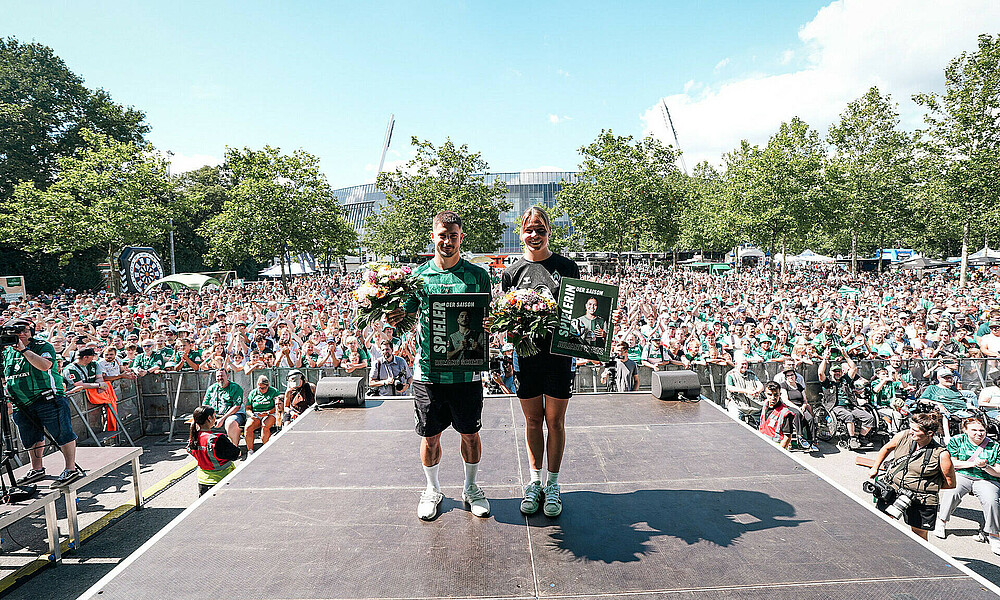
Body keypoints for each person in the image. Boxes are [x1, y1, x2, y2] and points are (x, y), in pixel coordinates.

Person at [389, 210, 493, 521]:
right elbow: (404, 320)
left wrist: (490, 323)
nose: (447, 241)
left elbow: (487, 318)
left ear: (462, 237)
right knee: (429, 436)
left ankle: (470, 487)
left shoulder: (479, 276)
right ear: (433, 237)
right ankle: (432, 489)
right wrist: (394, 316)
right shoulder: (418, 278)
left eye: (453, 236)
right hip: (428, 372)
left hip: (467, 372)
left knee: (470, 434)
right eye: (442, 235)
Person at [501, 206, 581, 518]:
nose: (535, 235)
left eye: (541, 230)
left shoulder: (567, 267)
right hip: (525, 357)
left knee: (556, 422)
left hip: (559, 357)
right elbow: (507, 322)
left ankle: (554, 484)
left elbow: (581, 314)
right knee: (533, 421)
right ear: (521, 232)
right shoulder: (511, 272)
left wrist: (602, 323)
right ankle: (534, 483)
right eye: (529, 230)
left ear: (549, 232)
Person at [2, 318, 81, 486]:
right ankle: (37, 469)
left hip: (47, 398)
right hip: (21, 403)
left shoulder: (42, 346)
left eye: (24, 330)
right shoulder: (8, 351)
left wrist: (23, 349)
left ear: (32, 331)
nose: (21, 334)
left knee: (62, 433)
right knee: (30, 438)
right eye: (16, 331)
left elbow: (45, 365)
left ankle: (70, 468)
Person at [868, 411, 956, 539]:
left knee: (919, 535)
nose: (910, 432)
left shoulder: (941, 454)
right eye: (910, 428)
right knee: (881, 524)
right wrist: (875, 468)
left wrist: (923, 487)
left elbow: (950, 483)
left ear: (929, 434)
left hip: (921, 499)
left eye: (915, 430)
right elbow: (886, 448)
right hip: (893, 490)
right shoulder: (903, 436)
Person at [934, 417, 1000, 554]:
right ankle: (941, 521)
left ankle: (994, 534)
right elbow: (951, 463)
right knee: (952, 491)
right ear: (965, 430)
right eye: (974, 430)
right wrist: (974, 463)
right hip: (962, 474)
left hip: (986, 478)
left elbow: (998, 472)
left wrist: (986, 466)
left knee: (991, 500)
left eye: (982, 430)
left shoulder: (995, 446)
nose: (979, 433)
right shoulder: (957, 441)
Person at [818, 350, 873, 450]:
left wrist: (846, 355)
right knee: (849, 416)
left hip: (851, 405)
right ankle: (852, 439)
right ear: (831, 372)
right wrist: (825, 359)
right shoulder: (827, 382)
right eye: (835, 371)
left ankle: (862, 438)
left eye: (839, 371)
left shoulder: (845, 380)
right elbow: (820, 372)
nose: (837, 373)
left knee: (869, 417)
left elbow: (854, 368)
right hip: (836, 407)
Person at [187, 405, 239, 496]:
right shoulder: (217, 439)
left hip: (203, 481)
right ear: (209, 418)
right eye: (214, 416)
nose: (215, 419)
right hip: (223, 480)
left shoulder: (193, 439)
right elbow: (236, 454)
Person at [774, 361, 818, 452]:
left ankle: (812, 441)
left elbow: (805, 400)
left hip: (801, 406)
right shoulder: (784, 385)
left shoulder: (799, 386)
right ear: (786, 377)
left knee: (810, 419)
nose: (791, 377)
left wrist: (803, 406)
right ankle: (800, 436)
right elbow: (785, 400)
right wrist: (798, 408)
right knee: (797, 414)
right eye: (788, 376)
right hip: (789, 406)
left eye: (792, 375)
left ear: (795, 376)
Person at [203, 369, 245, 446]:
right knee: (196, 422)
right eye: (218, 376)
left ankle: (234, 448)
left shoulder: (235, 387)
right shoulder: (211, 388)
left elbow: (237, 406)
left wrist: (222, 419)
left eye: (222, 375)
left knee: (230, 423)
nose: (220, 378)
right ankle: (202, 448)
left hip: (233, 414)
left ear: (227, 376)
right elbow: (205, 405)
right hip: (215, 414)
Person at [244, 375, 281, 455]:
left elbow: (278, 406)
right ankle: (250, 451)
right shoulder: (253, 393)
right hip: (256, 414)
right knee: (248, 427)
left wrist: (268, 412)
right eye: (259, 388)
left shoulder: (273, 391)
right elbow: (248, 408)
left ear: (268, 386)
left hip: (270, 413)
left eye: (263, 388)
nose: (261, 390)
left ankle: (265, 448)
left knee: (265, 425)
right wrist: (252, 414)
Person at [759, 382, 794, 449]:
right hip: (763, 444)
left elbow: (787, 436)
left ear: (780, 394)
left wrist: (779, 452)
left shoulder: (785, 413)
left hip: (776, 447)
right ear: (765, 394)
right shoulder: (765, 404)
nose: (773, 398)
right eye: (769, 394)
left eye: (776, 395)